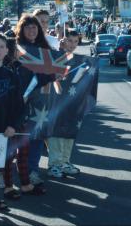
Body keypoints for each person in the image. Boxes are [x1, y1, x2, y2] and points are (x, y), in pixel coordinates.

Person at [15, 14, 51, 186]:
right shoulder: (16, 49)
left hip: (39, 101)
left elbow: (50, 74)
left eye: (34, 27)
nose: (31, 30)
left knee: (36, 137)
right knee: (18, 136)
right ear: (21, 29)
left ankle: (32, 171)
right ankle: (10, 172)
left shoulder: (45, 49)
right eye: (28, 27)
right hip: (19, 100)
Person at [47, 30, 81, 178]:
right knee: (56, 133)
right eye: (69, 41)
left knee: (69, 132)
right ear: (62, 41)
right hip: (56, 101)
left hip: (72, 102)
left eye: (75, 41)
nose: (72, 44)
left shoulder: (79, 60)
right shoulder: (56, 56)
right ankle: (54, 164)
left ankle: (65, 161)